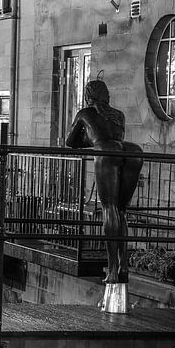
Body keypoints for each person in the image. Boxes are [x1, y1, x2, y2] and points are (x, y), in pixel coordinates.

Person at [66, 80, 143, 284]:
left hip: (105, 151)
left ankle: (112, 270)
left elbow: (70, 142)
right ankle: (124, 263)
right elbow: (117, 137)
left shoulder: (85, 114)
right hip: (131, 151)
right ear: (106, 95)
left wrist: (91, 142)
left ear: (88, 96)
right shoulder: (119, 115)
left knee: (109, 209)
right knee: (122, 210)